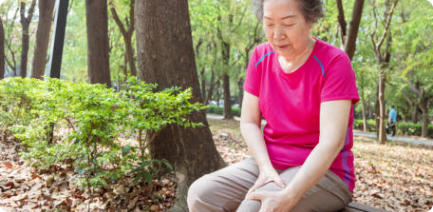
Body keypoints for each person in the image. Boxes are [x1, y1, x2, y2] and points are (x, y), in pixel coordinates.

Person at [187, 0, 359, 211]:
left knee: (253, 209)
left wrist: (289, 195)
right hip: (270, 162)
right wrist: (265, 169)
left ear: (310, 20)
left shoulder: (334, 62)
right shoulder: (260, 57)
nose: (277, 34)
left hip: (327, 172)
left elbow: (331, 142)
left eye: (287, 24)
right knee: (201, 194)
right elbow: (249, 121)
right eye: (269, 24)